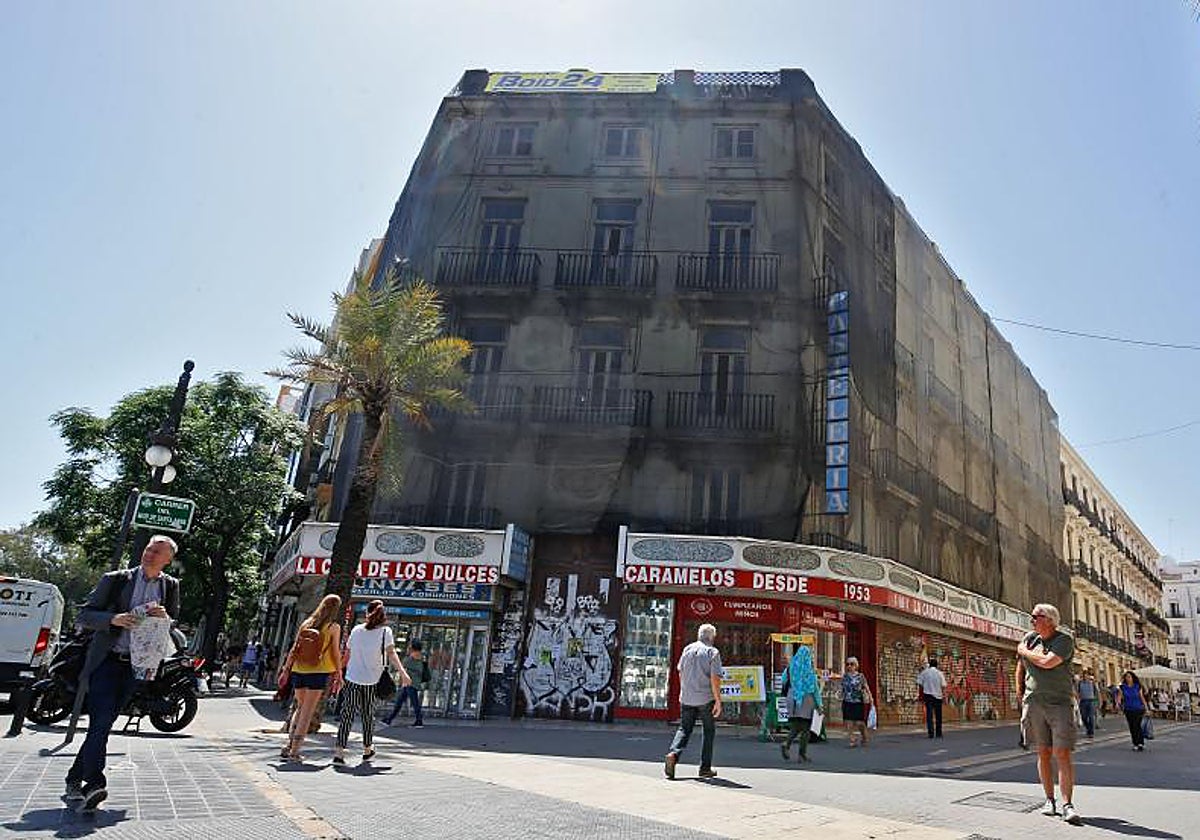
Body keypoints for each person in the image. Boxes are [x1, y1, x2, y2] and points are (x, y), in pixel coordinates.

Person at [65, 535, 181, 813]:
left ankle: (73, 778)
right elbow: (85, 616)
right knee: (101, 721)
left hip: (138, 666)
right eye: (148, 549)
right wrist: (112, 619)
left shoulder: (170, 586)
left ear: (168, 560)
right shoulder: (117, 579)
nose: (149, 555)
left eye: (157, 552)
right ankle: (94, 784)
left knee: (103, 725)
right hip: (106, 661)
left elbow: (173, 623)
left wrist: (163, 617)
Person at [1017, 603, 1082, 825]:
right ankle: (1049, 800)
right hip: (1034, 702)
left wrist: (1024, 651)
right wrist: (1021, 695)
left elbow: (1047, 662)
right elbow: (1021, 668)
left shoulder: (1063, 640)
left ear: (1050, 620)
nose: (1032, 620)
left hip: (1059, 703)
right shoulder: (1030, 638)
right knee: (1043, 752)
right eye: (1032, 617)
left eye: (1036, 616)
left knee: (1062, 753)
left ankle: (1067, 805)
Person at [334, 601, 410, 765]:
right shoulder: (385, 632)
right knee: (368, 716)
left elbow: (346, 656)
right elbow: (391, 654)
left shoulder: (356, 630)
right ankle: (367, 750)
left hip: (352, 679)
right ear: (383, 617)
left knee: (347, 715)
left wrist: (337, 673)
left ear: (367, 613)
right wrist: (403, 673)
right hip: (371, 680)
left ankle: (339, 753)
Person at [278, 594, 342, 762]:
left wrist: (286, 670)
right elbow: (335, 653)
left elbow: (294, 648)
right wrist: (339, 673)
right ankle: (295, 751)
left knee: (300, 708)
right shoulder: (333, 627)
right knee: (307, 712)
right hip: (319, 671)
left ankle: (288, 745)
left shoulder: (306, 623)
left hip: (299, 670)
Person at [664, 623, 723, 780]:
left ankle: (673, 754)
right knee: (708, 731)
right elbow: (715, 678)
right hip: (706, 698)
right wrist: (718, 700)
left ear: (699, 635)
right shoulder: (713, 652)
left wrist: (683, 690)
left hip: (687, 697)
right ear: (712, 637)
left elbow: (680, 671)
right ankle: (705, 768)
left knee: (684, 729)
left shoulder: (687, 649)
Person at [779, 644, 822, 763]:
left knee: (796, 725)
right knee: (806, 728)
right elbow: (815, 689)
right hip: (806, 698)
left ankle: (787, 743)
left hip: (792, 697)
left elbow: (783, 681)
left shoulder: (790, 668)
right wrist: (819, 704)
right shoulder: (809, 670)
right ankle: (802, 754)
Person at [384, 639, 430, 727]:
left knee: (413, 702)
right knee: (400, 701)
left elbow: (404, 663)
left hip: (411, 683)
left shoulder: (413, 657)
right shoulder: (421, 657)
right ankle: (389, 719)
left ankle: (419, 721)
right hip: (410, 683)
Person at [841, 656, 873, 747]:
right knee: (848, 721)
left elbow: (866, 687)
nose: (849, 666)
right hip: (847, 701)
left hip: (858, 701)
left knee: (859, 722)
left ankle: (864, 735)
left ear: (856, 665)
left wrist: (871, 698)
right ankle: (852, 739)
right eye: (847, 664)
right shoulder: (845, 676)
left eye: (852, 664)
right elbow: (842, 688)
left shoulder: (860, 676)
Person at [1116, 670, 1148, 751]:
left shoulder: (1138, 686)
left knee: (1137, 725)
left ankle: (1140, 743)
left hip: (1138, 708)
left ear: (1133, 678)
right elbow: (1119, 697)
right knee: (1132, 727)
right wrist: (1118, 704)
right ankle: (1135, 743)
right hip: (1128, 709)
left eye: (1129, 677)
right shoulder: (1122, 687)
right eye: (1126, 677)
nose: (1128, 678)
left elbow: (1141, 697)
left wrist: (1146, 707)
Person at [916, 656, 947, 739]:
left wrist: (921, 692)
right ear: (936, 665)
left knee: (929, 715)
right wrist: (945, 696)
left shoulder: (924, 672)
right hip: (938, 696)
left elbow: (919, 683)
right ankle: (939, 733)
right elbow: (943, 686)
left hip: (928, 695)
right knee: (938, 715)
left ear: (929, 665)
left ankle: (931, 733)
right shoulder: (940, 673)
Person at [1076, 669, 1098, 738]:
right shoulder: (1080, 683)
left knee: (1091, 717)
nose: (1085, 676)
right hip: (1083, 701)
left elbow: (1096, 692)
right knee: (1084, 717)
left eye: (1087, 675)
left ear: (1089, 676)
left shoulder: (1092, 683)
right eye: (1084, 675)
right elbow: (1077, 692)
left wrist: (1097, 701)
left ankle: (1091, 732)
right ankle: (1088, 728)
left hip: (1091, 701)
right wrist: (1078, 698)